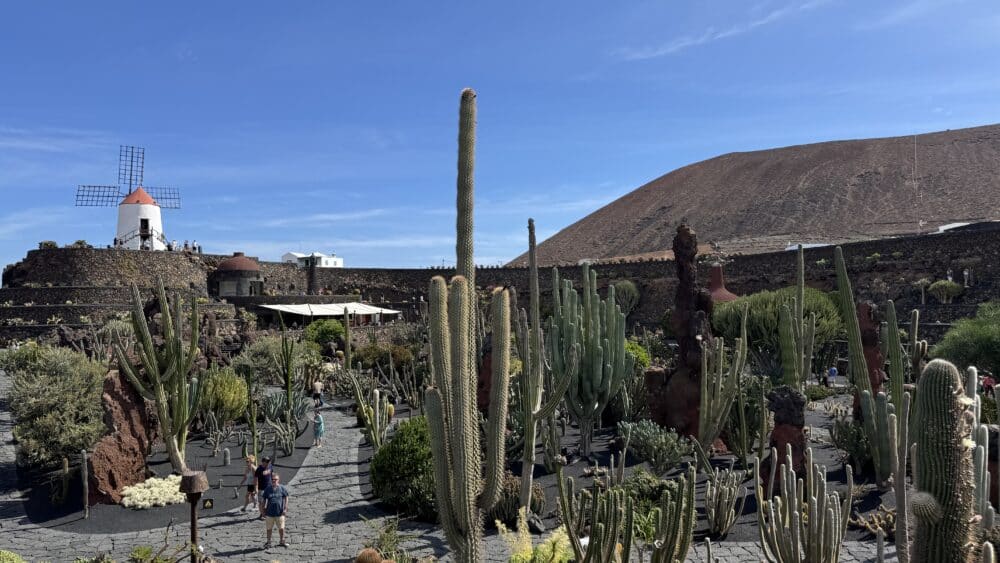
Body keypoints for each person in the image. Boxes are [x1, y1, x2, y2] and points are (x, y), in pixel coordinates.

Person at [262, 472, 289, 549]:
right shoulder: (268, 489)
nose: (274, 481)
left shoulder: (282, 488)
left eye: (275, 479)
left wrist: (285, 507)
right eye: (272, 479)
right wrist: (263, 511)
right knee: (269, 528)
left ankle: (282, 541)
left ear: (278, 480)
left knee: (281, 528)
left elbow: (286, 497)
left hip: (279, 512)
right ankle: (269, 542)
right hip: (269, 513)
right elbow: (264, 500)